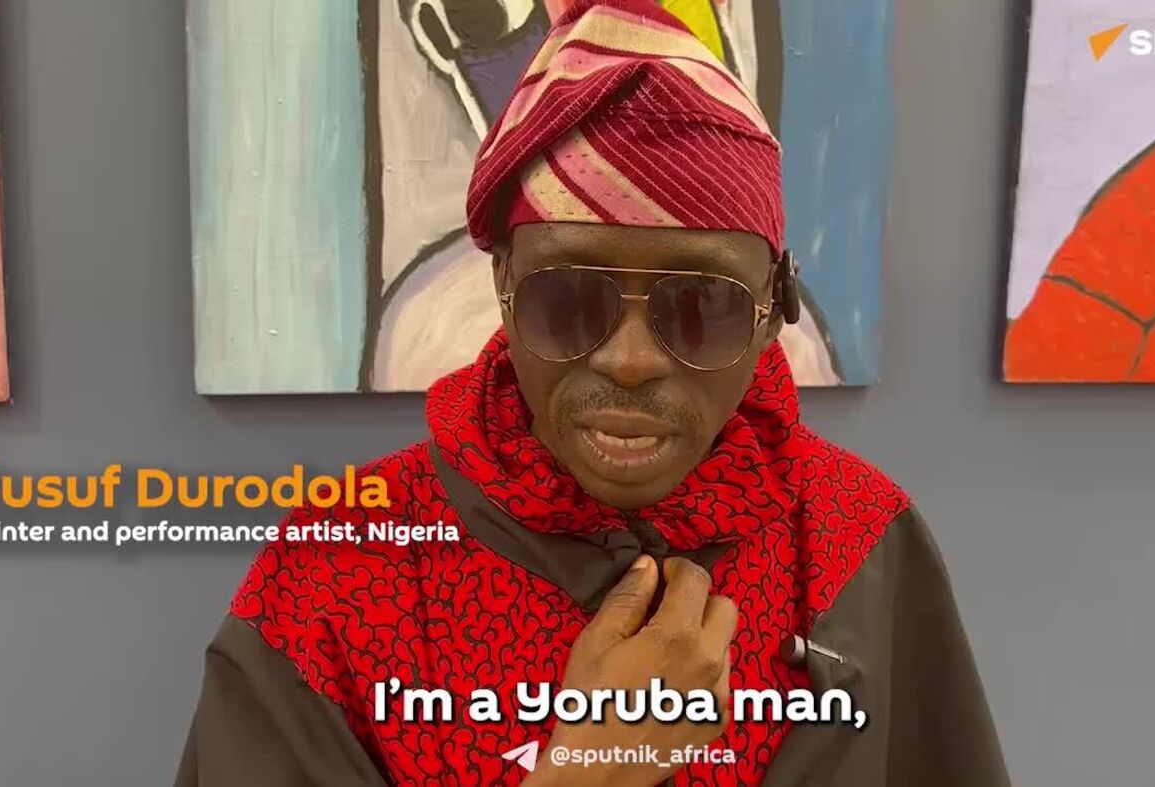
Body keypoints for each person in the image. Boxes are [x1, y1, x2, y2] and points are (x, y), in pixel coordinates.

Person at [174, 2, 1009, 784]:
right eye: (568, 299)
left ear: (771, 311)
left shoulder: (856, 546)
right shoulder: (340, 571)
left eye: (702, 306)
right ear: (504, 288)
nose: (631, 360)